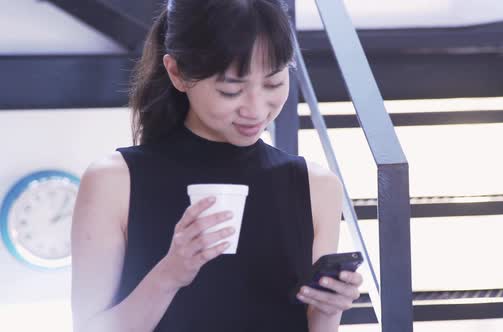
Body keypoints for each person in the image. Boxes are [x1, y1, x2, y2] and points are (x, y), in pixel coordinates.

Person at [70, 0, 363, 331]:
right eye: (230, 90)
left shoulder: (316, 186)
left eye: (273, 83)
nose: (255, 109)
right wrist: (170, 274)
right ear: (177, 73)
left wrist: (329, 309)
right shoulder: (114, 182)